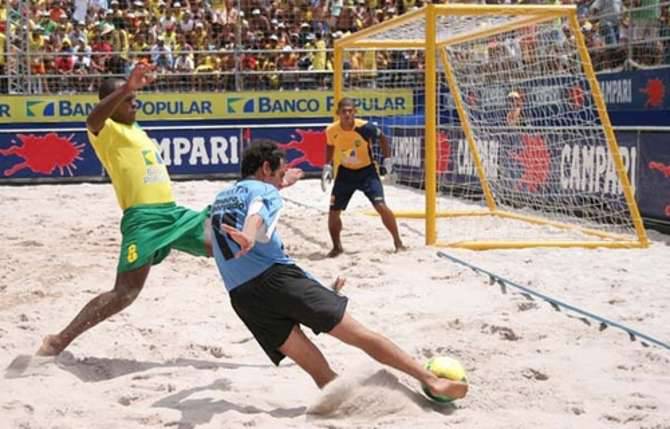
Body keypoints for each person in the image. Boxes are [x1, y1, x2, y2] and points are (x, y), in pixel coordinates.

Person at [35, 65, 302, 356]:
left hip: (172, 214)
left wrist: (274, 183)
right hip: (145, 220)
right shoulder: (106, 130)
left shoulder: (133, 127)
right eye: (128, 99)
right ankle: (58, 341)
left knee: (225, 242)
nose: (134, 102)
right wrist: (125, 88)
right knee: (125, 293)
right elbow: (92, 118)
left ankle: (271, 194)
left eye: (135, 97)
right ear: (111, 102)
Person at [210, 140, 468, 400]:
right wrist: (250, 234)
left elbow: (234, 220)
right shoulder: (266, 191)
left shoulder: (221, 199)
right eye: (278, 174)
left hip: (242, 298)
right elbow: (257, 211)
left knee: (319, 372)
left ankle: (355, 406)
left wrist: (279, 183)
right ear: (266, 169)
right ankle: (432, 381)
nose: (279, 182)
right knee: (361, 336)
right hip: (279, 282)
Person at [322, 97, 405, 257]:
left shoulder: (364, 127)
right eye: (344, 111)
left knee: (381, 206)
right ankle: (337, 247)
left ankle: (398, 242)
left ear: (355, 112)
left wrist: (387, 160)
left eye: (350, 111)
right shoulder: (331, 130)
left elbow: (382, 138)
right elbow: (330, 145)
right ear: (338, 113)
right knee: (333, 212)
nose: (347, 114)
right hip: (345, 173)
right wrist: (327, 165)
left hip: (367, 172)